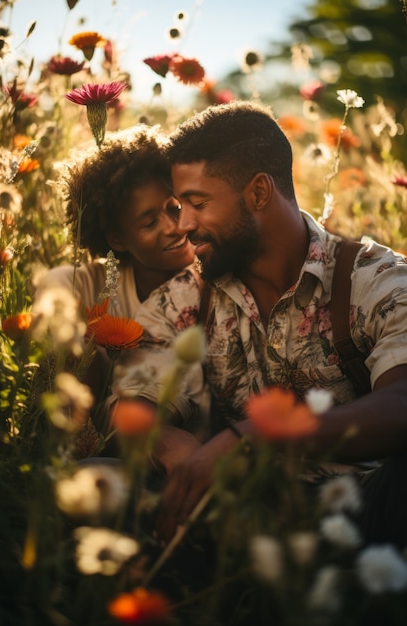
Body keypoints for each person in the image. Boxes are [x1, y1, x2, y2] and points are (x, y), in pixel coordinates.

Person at [112, 101, 407, 547]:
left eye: (197, 203)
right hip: (237, 514)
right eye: (178, 205)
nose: (183, 226)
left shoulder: (375, 279)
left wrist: (259, 436)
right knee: (98, 479)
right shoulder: (186, 299)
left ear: (259, 193)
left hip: (363, 514)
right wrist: (174, 448)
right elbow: (133, 411)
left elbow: (401, 402)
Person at [34, 124, 196, 424]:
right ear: (118, 239)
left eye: (174, 207)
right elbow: (54, 293)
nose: (174, 227)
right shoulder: (84, 284)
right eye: (149, 223)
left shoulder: (210, 271)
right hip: (92, 435)